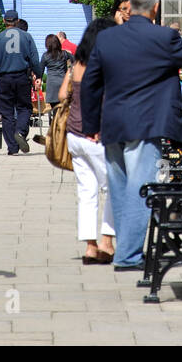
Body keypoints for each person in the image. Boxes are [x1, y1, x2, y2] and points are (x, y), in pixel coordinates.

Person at [80, 0, 182, 270]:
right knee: (139, 187)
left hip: (113, 124)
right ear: (155, 8)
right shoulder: (164, 36)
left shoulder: (107, 39)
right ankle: (128, 256)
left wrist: (91, 123)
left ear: (130, 6)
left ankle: (127, 251)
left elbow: (90, 83)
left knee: (120, 189)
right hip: (146, 124)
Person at [59, 17, 118, 265]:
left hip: (74, 135)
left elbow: (63, 96)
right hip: (96, 135)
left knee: (87, 192)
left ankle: (90, 247)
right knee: (115, 188)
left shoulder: (78, 64)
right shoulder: (103, 65)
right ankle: (106, 242)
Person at [0, 9, 42, 155]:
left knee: (6, 112)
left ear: (4, 21)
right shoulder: (27, 36)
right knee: (24, 108)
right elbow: (35, 60)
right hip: (22, 77)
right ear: (17, 21)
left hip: (5, 78)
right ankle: (20, 132)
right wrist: (38, 75)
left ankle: (12, 147)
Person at [41, 34, 73, 114]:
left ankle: (55, 124)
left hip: (52, 84)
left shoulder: (45, 56)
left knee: (54, 109)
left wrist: (38, 80)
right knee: (64, 109)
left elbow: (40, 70)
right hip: (62, 83)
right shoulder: (64, 54)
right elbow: (76, 61)